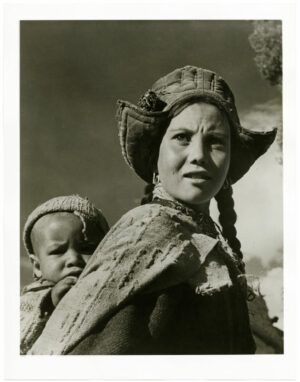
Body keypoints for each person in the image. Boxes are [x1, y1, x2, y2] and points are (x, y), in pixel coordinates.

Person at [30, 66, 276, 355]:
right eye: (182, 138)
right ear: (156, 155)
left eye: (215, 142)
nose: (198, 155)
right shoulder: (146, 231)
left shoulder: (214, 245)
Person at [20, 194, 109, 354]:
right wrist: (50, 304)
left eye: (87, 248)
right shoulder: (26, 303)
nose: (73, 259)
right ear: (37, 266)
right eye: (58, 251)